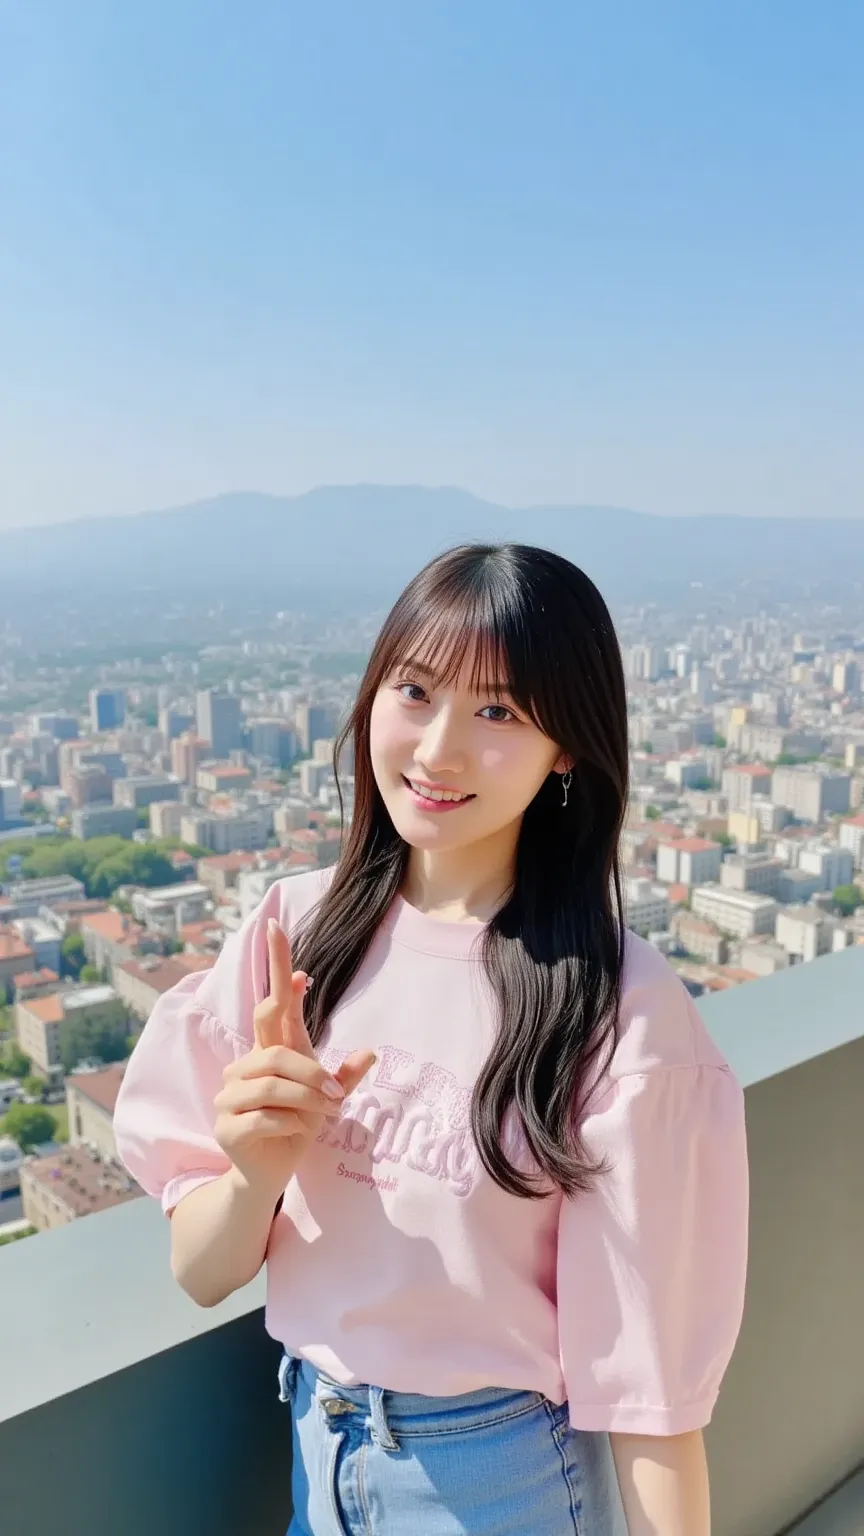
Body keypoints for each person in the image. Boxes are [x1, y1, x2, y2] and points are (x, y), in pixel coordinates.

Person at [114, 543, 749, 1535]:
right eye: (414, 691)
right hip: (317, 1454)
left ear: (567, 746)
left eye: (498, 712)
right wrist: (254, 1174)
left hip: (500, 1481)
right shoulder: (294, 938)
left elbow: (652, 1394)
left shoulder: (617, 1008)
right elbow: (202, 1274)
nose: (439, 748)